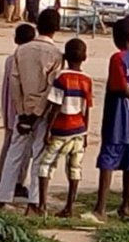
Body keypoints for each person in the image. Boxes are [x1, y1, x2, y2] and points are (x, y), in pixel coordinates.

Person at [0, 8, 63, 213]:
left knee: (14, 153)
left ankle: (4, 195)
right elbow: (52, 88)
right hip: (41, 114)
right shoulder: (56, 54)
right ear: (56, 29)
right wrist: (36, 113)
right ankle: (34, 201)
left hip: (22, 110)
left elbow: (14, 82)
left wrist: (22, 109)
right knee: (39, 156)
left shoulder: (21, 50)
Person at [35, 38, 93, 217]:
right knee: (75, 168)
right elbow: (86, 109)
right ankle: (69, 206)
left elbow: (56, 105)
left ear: (65, 56)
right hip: (79, 129)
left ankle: (43, 204)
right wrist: (85, 133)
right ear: (85, 57)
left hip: (61, 129)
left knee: (46, 165)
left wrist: (48, 130)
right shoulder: (87, 80)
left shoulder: (62, 77)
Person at [93, 19, 129, 220]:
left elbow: (122, 88)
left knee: (108, 159)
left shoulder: (118, 59)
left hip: (118, 116)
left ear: (116, 38)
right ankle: (126, 205)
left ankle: (101, 208)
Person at [0, 23, 36, 197]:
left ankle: (1, 177)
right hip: (20, 111)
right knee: (22, 149)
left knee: (8, 145)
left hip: (9, 110)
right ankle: (17, 181)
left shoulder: (10, 59)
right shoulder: (24, 60)